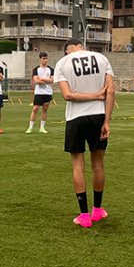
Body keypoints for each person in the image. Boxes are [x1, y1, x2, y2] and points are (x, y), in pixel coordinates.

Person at [53, 38, 115, 228]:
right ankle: (98, 210)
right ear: (82, 47)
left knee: (77, 165)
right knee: (98, 164)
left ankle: (84, 215)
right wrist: (106, 121)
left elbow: (68, 95)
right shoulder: (101, 58)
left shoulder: (62, 63)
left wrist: (93, 96)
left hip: (76, 118)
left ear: (67, 51)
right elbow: (111, 91)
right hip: (98, 115)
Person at [27, 51, 54, 134]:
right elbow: (36, 81)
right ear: (40, 59)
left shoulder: (51, 69)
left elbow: (52, 80)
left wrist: (41, 79)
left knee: (45, 109)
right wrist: (46, 80)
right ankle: (30, 127)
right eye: (43, 58)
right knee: (35, 109)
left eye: (46, 58)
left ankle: (42, 127)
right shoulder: (36, 69)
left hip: (48, 92)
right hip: (39, 92)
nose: (45, 60)